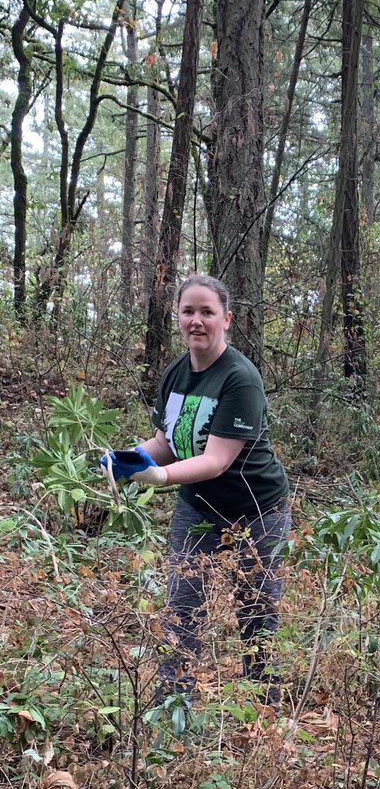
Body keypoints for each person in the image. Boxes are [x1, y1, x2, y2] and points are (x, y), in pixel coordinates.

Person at [103, 274, 290, 705]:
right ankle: (174, 701)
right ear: (178, 317)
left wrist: (160, 478)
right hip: (198, 508)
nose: (197, 321)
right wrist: (128, 457)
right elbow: (167, 442)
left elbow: (217, 459)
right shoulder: (176, 371)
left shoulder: (240, 378)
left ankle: (264, 705)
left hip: (257, 509)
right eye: (189, 311)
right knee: (182, 604)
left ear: (226, 318)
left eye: (207, 312)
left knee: (256, 609)